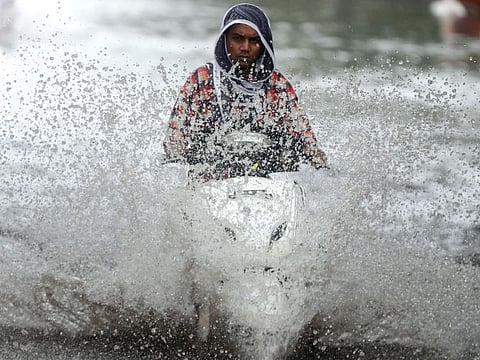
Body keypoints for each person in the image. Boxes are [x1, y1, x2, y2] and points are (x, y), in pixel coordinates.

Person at [163, 3, 327, 181]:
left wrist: (320, 166)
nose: (245, 48)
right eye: (238, 38)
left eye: (254, 40)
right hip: (209, 181)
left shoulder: (277, 86)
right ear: (225, 40)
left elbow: (304, 137)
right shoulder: (202, 81)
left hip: (266, 182)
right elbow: (175, 138)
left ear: (264, 44)